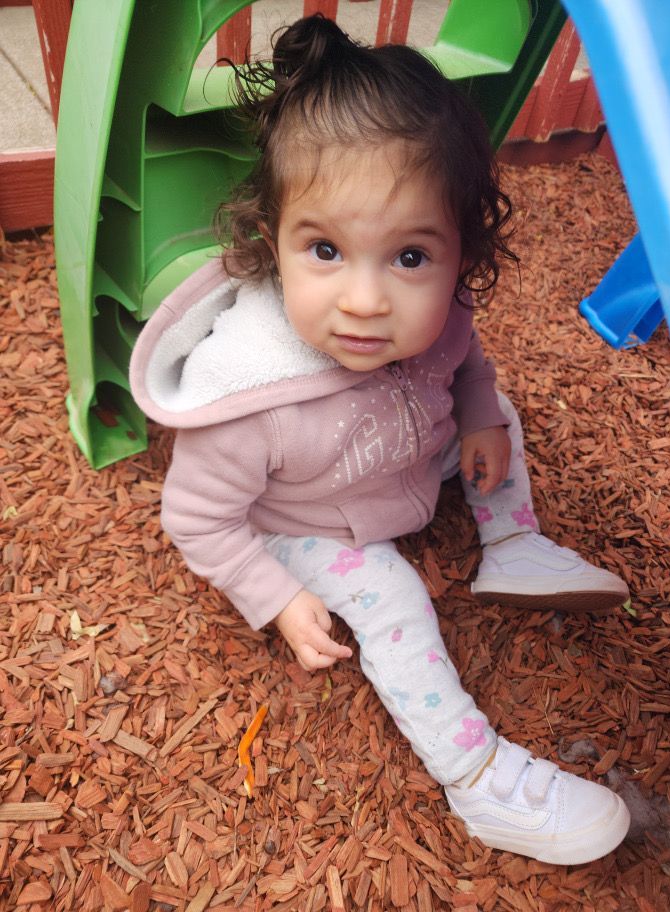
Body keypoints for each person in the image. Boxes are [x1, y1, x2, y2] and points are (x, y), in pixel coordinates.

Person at [130, 15, 630, 864]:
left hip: (405, 452)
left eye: (409, 257)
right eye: (325, 249)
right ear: (271, 240)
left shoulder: (438, 323)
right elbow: (196, 518)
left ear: (462, 251)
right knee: (394, 597)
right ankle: (477, 777)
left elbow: (470, 361)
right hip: (310, 519)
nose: (365, 300)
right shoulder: (253, 398)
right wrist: (276, 596)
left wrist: (475, 416)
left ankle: (516, 543)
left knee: (499, 415)